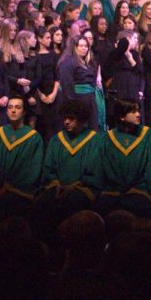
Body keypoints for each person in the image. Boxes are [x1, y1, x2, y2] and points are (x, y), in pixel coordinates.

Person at [95, 99, 151, 223]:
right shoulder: (107, 139)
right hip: (113, 192)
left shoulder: (149, 136)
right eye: (133, 111)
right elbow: (99, 170)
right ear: (121, 116)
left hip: (140, 191)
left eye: (138, 110)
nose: (138, 114)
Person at [33, 99, 101, 233]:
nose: (66, 122)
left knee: (72, 206)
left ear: (82, 119)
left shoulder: (94, 140)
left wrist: (74, 186)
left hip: (82, 189)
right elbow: (48, 168)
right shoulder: (57, 139)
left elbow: (95, 171)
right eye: (65, 118)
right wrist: (55, 183)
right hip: (57, 187)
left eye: (71, 119)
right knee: (42, 205)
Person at [0, 96, 45, 216]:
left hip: (21, 193)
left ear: (24, 112)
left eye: (18, 107)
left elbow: (34, 170)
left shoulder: (34, 138)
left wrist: (11, 189)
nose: (13, 110)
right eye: (10, 107)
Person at [57, 34, 103, 132]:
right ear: (74, 47)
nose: (84, 48)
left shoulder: (90, 62)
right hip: (78, 101)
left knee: (92, 129)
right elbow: (67, 86)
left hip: (91, 100)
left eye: (86, 46)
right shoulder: (68, 63)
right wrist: (74, 107)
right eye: (81, 46)